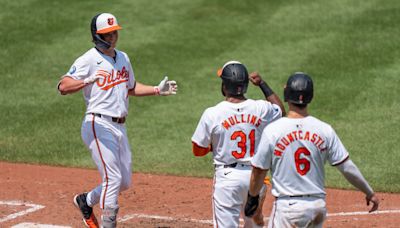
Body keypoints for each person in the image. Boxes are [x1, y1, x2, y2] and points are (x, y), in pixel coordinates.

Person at [57, 13, 177, 228]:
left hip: (120, 126)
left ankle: (86, 201)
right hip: (97, 124)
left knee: (123, 182)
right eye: (108, 34)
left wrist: (158, 90)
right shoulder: (87, 59)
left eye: (114, 33)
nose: (112, 37)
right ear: (97, 35)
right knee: (112, 179)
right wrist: (86, 80)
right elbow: (63, 86)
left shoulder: (123, 57)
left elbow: (130, 88)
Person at [245, 72, 379, 227]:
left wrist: (252, 198)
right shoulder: (324, 129)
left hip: (288, 209)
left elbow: (259, 170)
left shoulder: (273, 130)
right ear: (311, 96)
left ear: (286, 94)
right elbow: (347, 167)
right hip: (316, 207)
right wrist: (369, 192)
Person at [192, 61, 286, 228]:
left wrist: (216, 145)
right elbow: (281, 111)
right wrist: (263, 84)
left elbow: (198, 150)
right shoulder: (261, 108)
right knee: (253, 224)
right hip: (256, 178)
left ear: (225, 86)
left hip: (228, 181)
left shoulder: (212, 113)